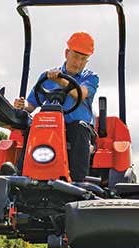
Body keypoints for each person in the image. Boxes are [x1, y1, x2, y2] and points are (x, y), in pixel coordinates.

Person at [13, 31, 99, 182]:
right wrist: (22, 104)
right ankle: (21, 174)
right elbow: (31, 105)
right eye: (75, 56)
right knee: (32, 125)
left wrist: (61, 81)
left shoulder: (90, 78)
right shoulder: (47, 76)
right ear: (67, 53)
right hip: (49, 126)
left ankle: (78, 180)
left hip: (77, 128)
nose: (78, 62)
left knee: (79, 128)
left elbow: (80, 94)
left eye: (83, 59)